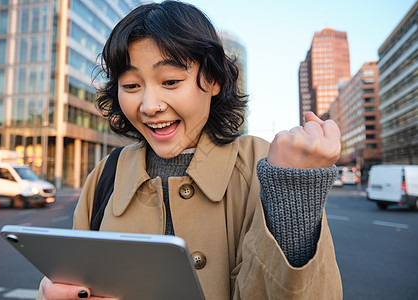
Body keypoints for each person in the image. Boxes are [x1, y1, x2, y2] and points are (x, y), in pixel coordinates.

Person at [38, 1, 342, 299]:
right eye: (130, 85)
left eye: (170, 81)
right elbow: (68, 278)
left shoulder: (268, 168)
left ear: (213, 80)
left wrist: (295, 192)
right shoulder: (105, 175)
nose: (149, 106)